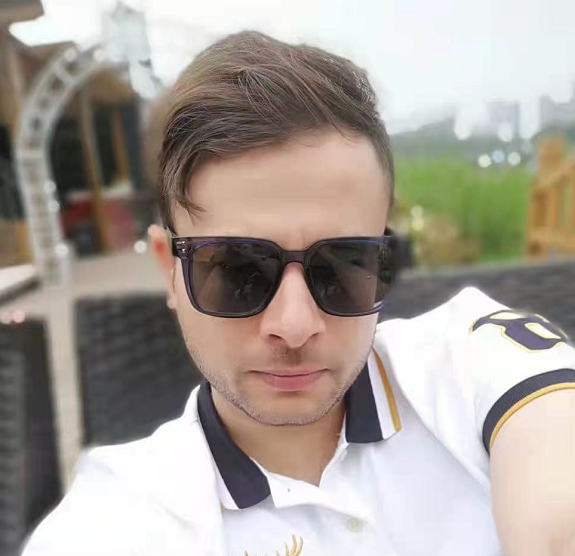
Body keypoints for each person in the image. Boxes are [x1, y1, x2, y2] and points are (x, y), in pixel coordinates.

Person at [23, 31, 575, 556]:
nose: (294, 324)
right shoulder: (118, 520)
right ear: (170, 269)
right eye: (238, 270)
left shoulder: (469, 365)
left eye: (342, 265)